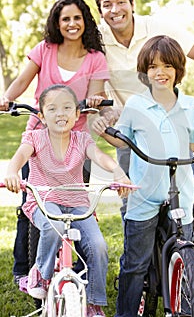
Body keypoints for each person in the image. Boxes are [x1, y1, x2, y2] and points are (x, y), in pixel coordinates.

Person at [94, 0, 194, 283]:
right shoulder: (96, 38)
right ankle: (138, 268)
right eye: (107, 5)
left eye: (120, 1)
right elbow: (96, 87)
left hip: (168, 120)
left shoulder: (158, 27)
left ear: (132, 3)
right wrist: (106, 111)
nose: (115, 10)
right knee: (133, 200)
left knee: (188, 194)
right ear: (100, 11)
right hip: (132, 127)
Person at [92, 35, 194, 316]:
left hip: (181, 190)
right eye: (154, 66)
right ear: (145, 72)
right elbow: (123, 141)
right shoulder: (136, 105)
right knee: (135, 264)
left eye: (167, 66)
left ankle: (183, 298)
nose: (160, 72)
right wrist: (104, 131)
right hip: (144, 192)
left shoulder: (190, 106)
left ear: (178, 70)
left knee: (186, 249)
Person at [0, 0, 110, 285]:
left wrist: (97, 99)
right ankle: (24, 270)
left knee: (74, 207)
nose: (72, 24)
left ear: (85, 20)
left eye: (77, 18)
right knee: (32, 203)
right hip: (40, 136)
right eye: (65, 19)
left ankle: (68, 268)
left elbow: (96, 95)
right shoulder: (45, 49)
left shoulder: (96, 57)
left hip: (75, 143)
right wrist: (7, 98)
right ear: (57, 23)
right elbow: (23, 81)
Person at [4, 84, 131, 317]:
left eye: (66, 108)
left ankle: (94, 302)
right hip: (44, 200)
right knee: (55, 228)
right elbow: (20, 156)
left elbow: (100, 157)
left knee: (98, 247)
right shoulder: (35, 137)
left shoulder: (81, 140)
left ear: (76, 114)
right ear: (41, 116)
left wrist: (118, 173)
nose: (60, 114)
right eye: (52, 109)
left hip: (78, 203)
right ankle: (41, 275)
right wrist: (12, 172)